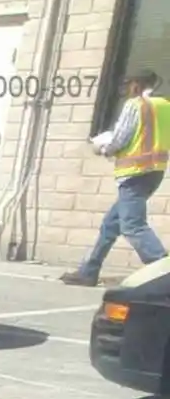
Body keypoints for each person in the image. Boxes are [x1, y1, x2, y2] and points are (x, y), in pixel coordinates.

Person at [60, 69, 170, 285]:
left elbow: (120, 139)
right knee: (111, 224)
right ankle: (88, 272)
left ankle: (163, 270)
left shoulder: (136, 105)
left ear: (137, 85)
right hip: (154, 172)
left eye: (129, 85)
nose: (128, 90)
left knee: (132, 225)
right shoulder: (165, 106)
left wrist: (102, 148)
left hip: (134, 173)